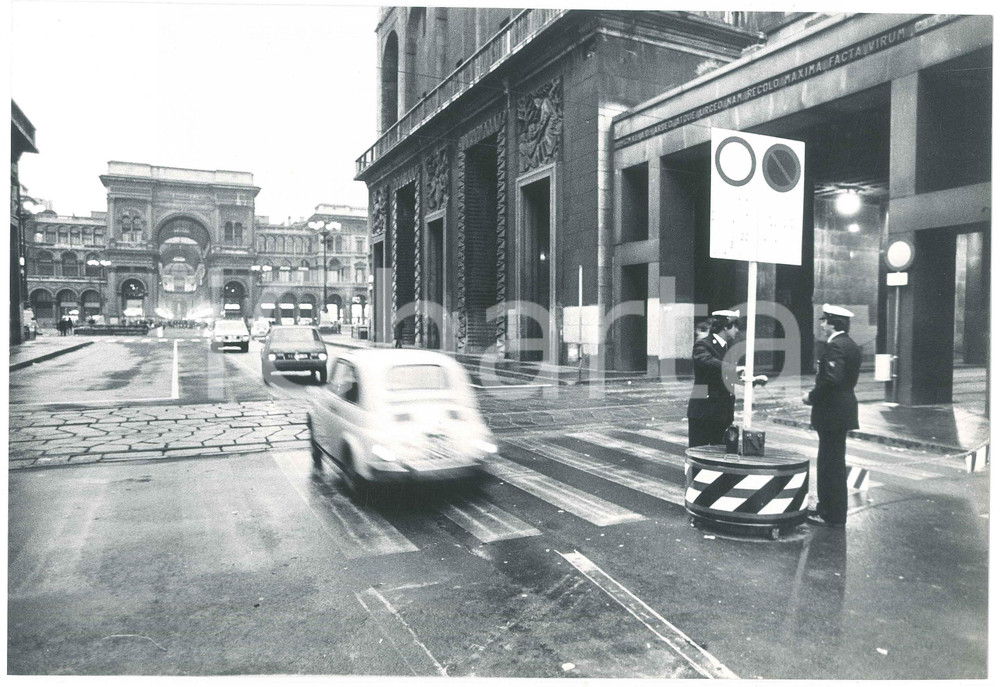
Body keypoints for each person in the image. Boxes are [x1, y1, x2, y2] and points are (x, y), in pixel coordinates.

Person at [802, 304, 861, 528]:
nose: (822, 324)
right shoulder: (851, 345)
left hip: (832, 411)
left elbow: (831, 380)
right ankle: (832, 510)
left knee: (829, 464)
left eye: (824, 321)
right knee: (834, 462)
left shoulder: (835, 346)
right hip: (842, 410)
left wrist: (811, 397)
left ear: (832, 323)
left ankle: (830, 513)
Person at [687, 310, 741, 447]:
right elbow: (707, 361)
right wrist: (733, 369)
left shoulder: (727, 348)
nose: (737, 330)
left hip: (723, 413)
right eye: (735, 326)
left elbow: (725, 377)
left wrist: (750, 379)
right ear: (726, 326)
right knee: (700, 454)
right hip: (703, 412)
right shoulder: (703, 345)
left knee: (720, 457)